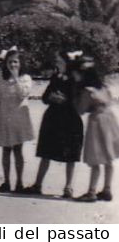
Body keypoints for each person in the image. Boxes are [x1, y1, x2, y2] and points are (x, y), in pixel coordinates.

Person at [28, 51, 86, 198]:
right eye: (57, 61)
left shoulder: (75, 79)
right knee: (46, 152)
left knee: (71, 155)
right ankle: (38, 184)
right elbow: (44, 97)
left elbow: (77, 99)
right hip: (53, 119)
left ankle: (68, 187)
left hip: (70, 120)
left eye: (60, 61)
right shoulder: (55, 77)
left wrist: (64, 100)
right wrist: (51, 97)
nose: (58, 64)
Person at [0, 47, 35, 192]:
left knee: (17, 150)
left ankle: (19, 183)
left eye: (15, 62)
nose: (13, 65)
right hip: (5, 118)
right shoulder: (3, 78)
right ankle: (6, 182)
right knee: (5, 150)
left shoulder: (25, 78)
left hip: (18, 119)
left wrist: (16, 78)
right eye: (10, 62)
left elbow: (23, 94)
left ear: (21, 63)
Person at [77, 57, 117, 202]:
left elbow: (80, 110)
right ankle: (107, 189)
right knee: (108, 157)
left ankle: (91, 191)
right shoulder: (104, 87)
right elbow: (110, 101)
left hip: (97, 121)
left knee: (96, 158)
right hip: (110, 120)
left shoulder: (88, 91)